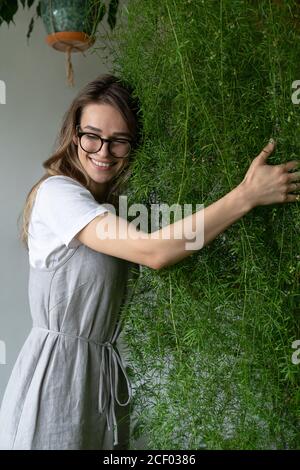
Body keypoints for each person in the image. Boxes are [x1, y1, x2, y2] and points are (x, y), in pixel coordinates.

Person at [0, 73, 299, 450]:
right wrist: (246, 196)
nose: (103, 152)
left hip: (100, 384)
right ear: (73, 134)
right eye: (92, 135)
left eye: (118, 141)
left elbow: (179, 239)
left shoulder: (114, 209)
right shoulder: (57, 195)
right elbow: (155, 252)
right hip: (58, 380)